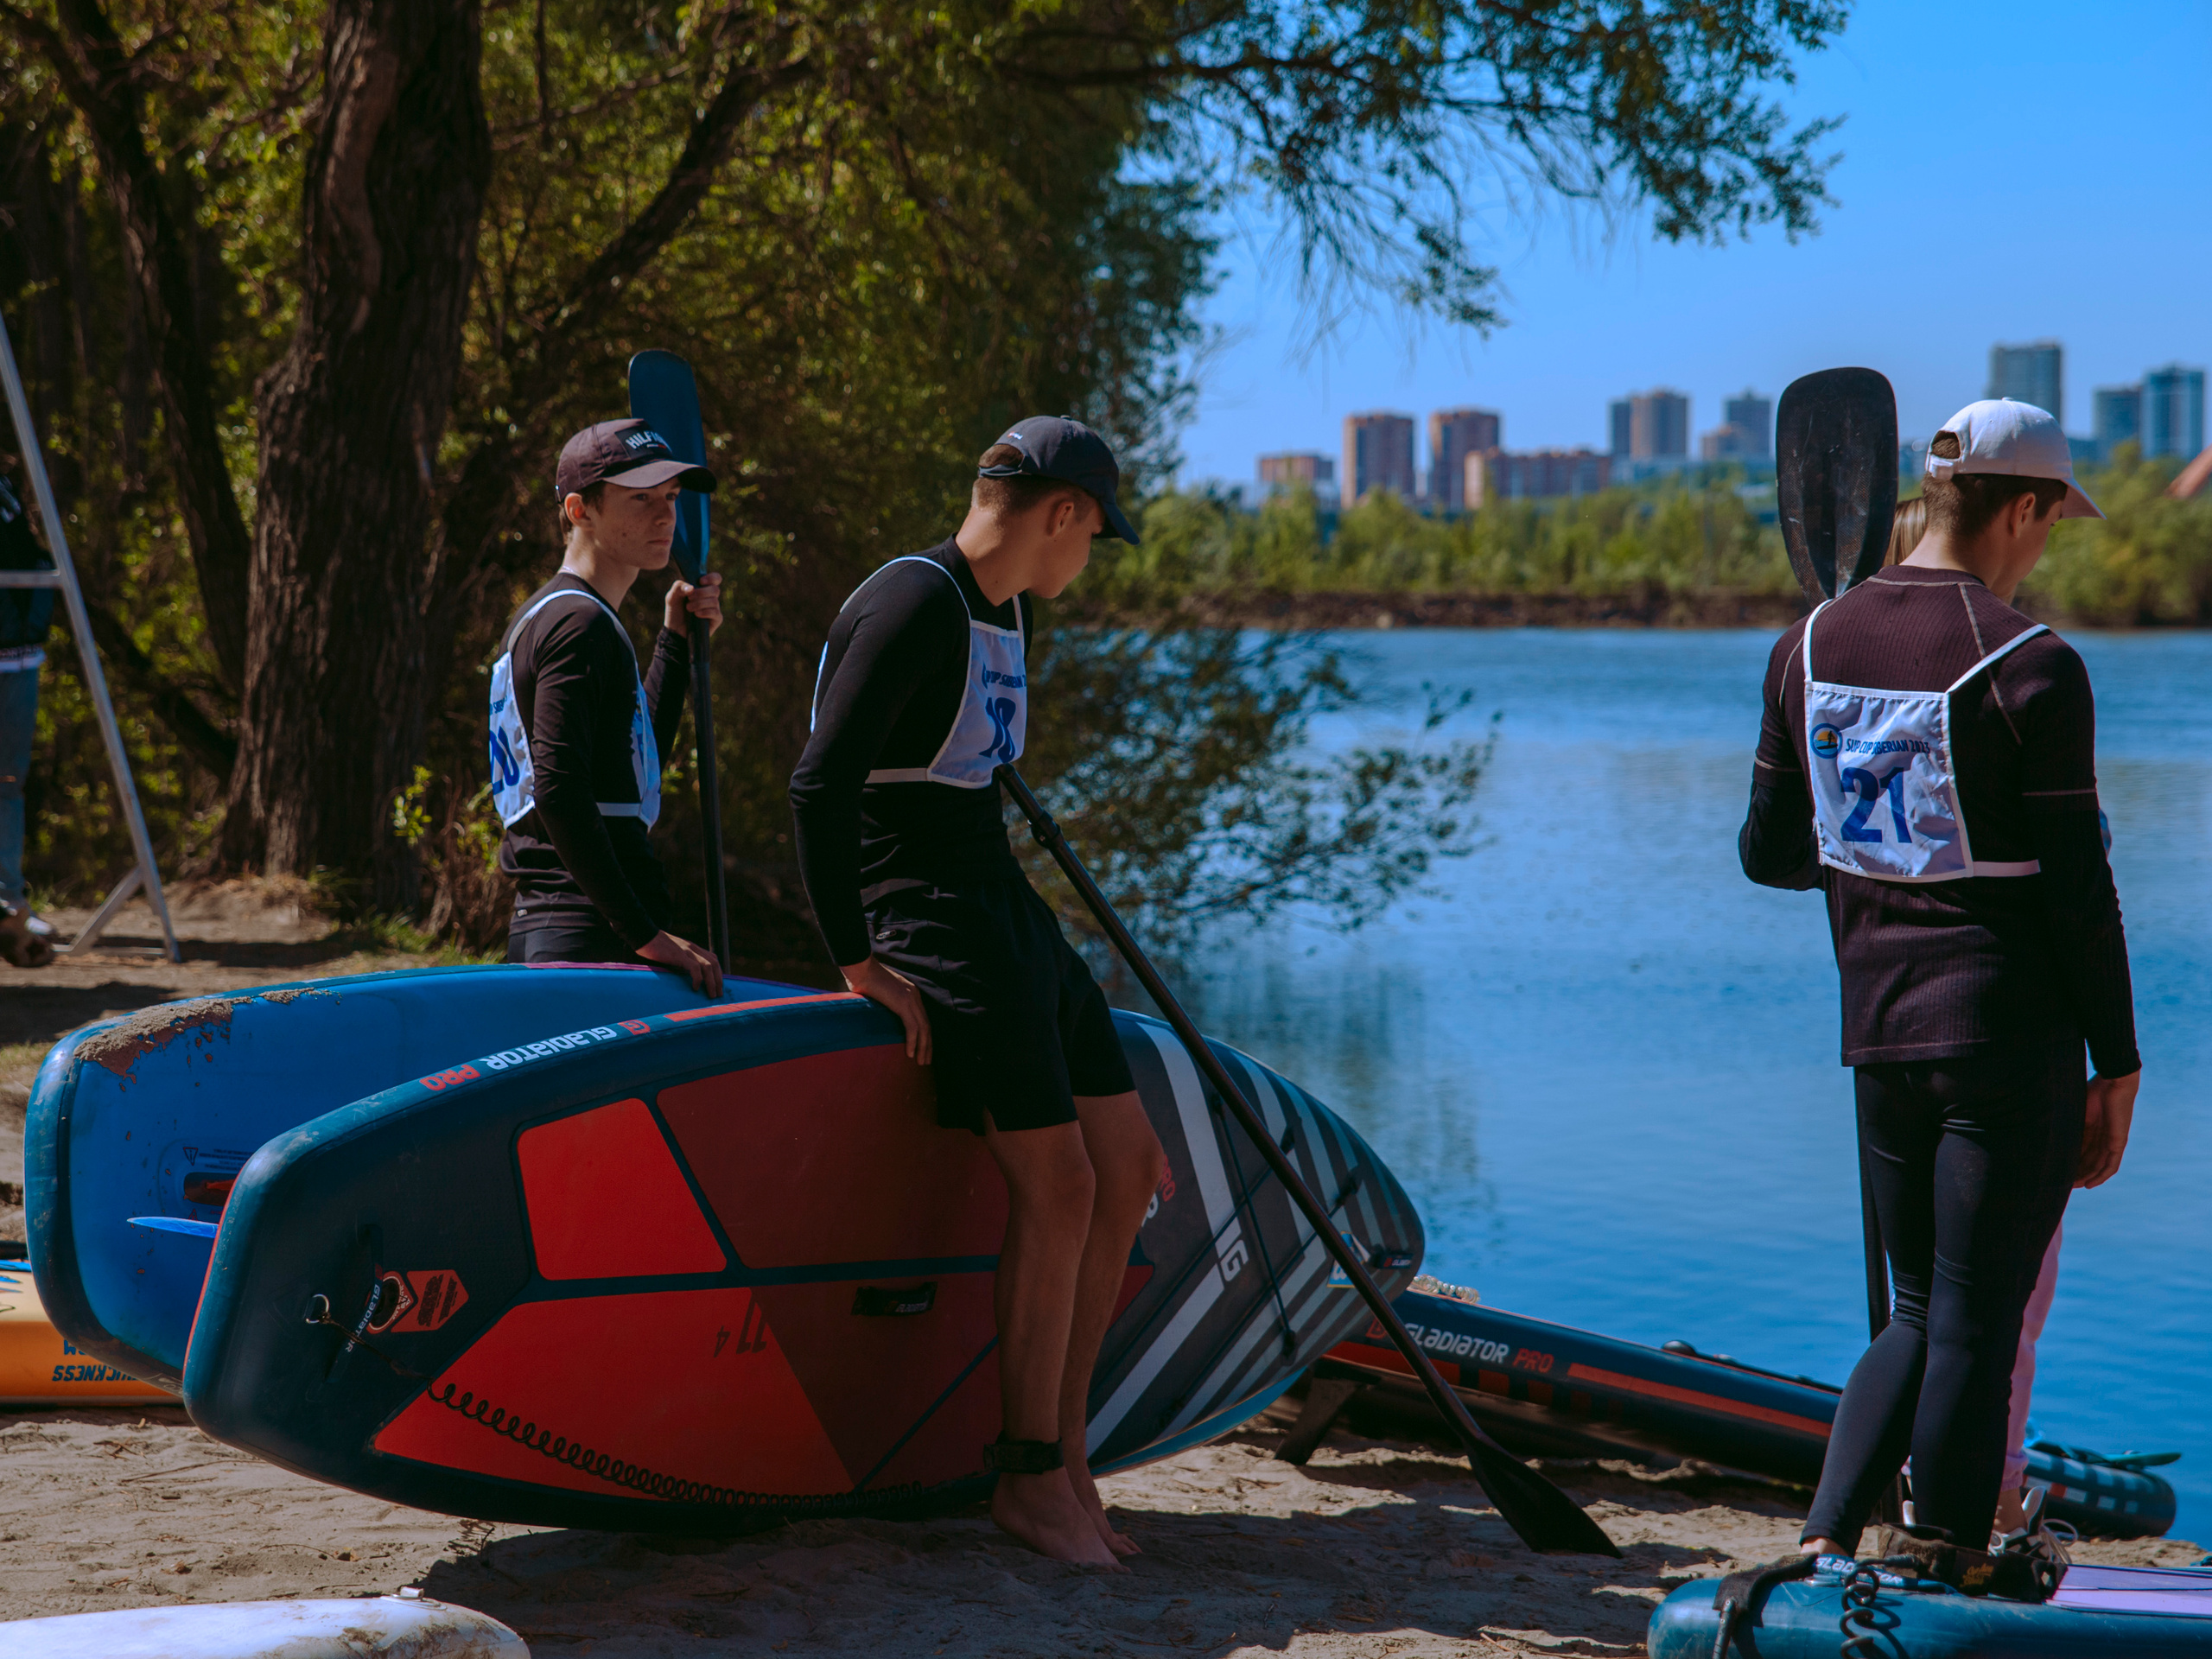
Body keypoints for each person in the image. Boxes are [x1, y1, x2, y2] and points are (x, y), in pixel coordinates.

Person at [1738, 398, 2140, 1567]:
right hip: (2010, 1045)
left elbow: (1768, 856)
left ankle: (1823, 1546)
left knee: (1916, 1315)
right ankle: (1949, 1562)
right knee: (1974, 1322)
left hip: (1879, 1036)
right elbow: (2078, 898)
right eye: (2051, 521)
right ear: (2024, 509)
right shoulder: (2036, 666)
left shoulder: (1806, 647)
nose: (2046, 545)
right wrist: (2116, 1065)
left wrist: (1880, 832)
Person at [790, 416, 1169, 1569]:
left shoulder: (1011, 607)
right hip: (926, 911)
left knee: (1129, 1166)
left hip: (996, 898)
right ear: (1062, 514)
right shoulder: (914, 602)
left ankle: (1068, 1456)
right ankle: (1027, 1478)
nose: (1089, 559)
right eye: (1096, 536)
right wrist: (859, 960)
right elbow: (820, 786)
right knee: (1055, 1185)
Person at [493, 419, 724, 995]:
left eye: (670, 497)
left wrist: (674, 640)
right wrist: (646, 936)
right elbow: (559, 789)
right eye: (641, 498)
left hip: (563, 931)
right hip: (586, 937)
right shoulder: (579, 624)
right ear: (580, 510)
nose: (666, 515)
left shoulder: (553, 614)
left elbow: (631, 762)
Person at [0, 454, 56, 968]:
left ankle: (11, 904)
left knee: (8, 784)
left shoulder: (8, 491)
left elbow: (33, 555)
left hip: (18, 656)